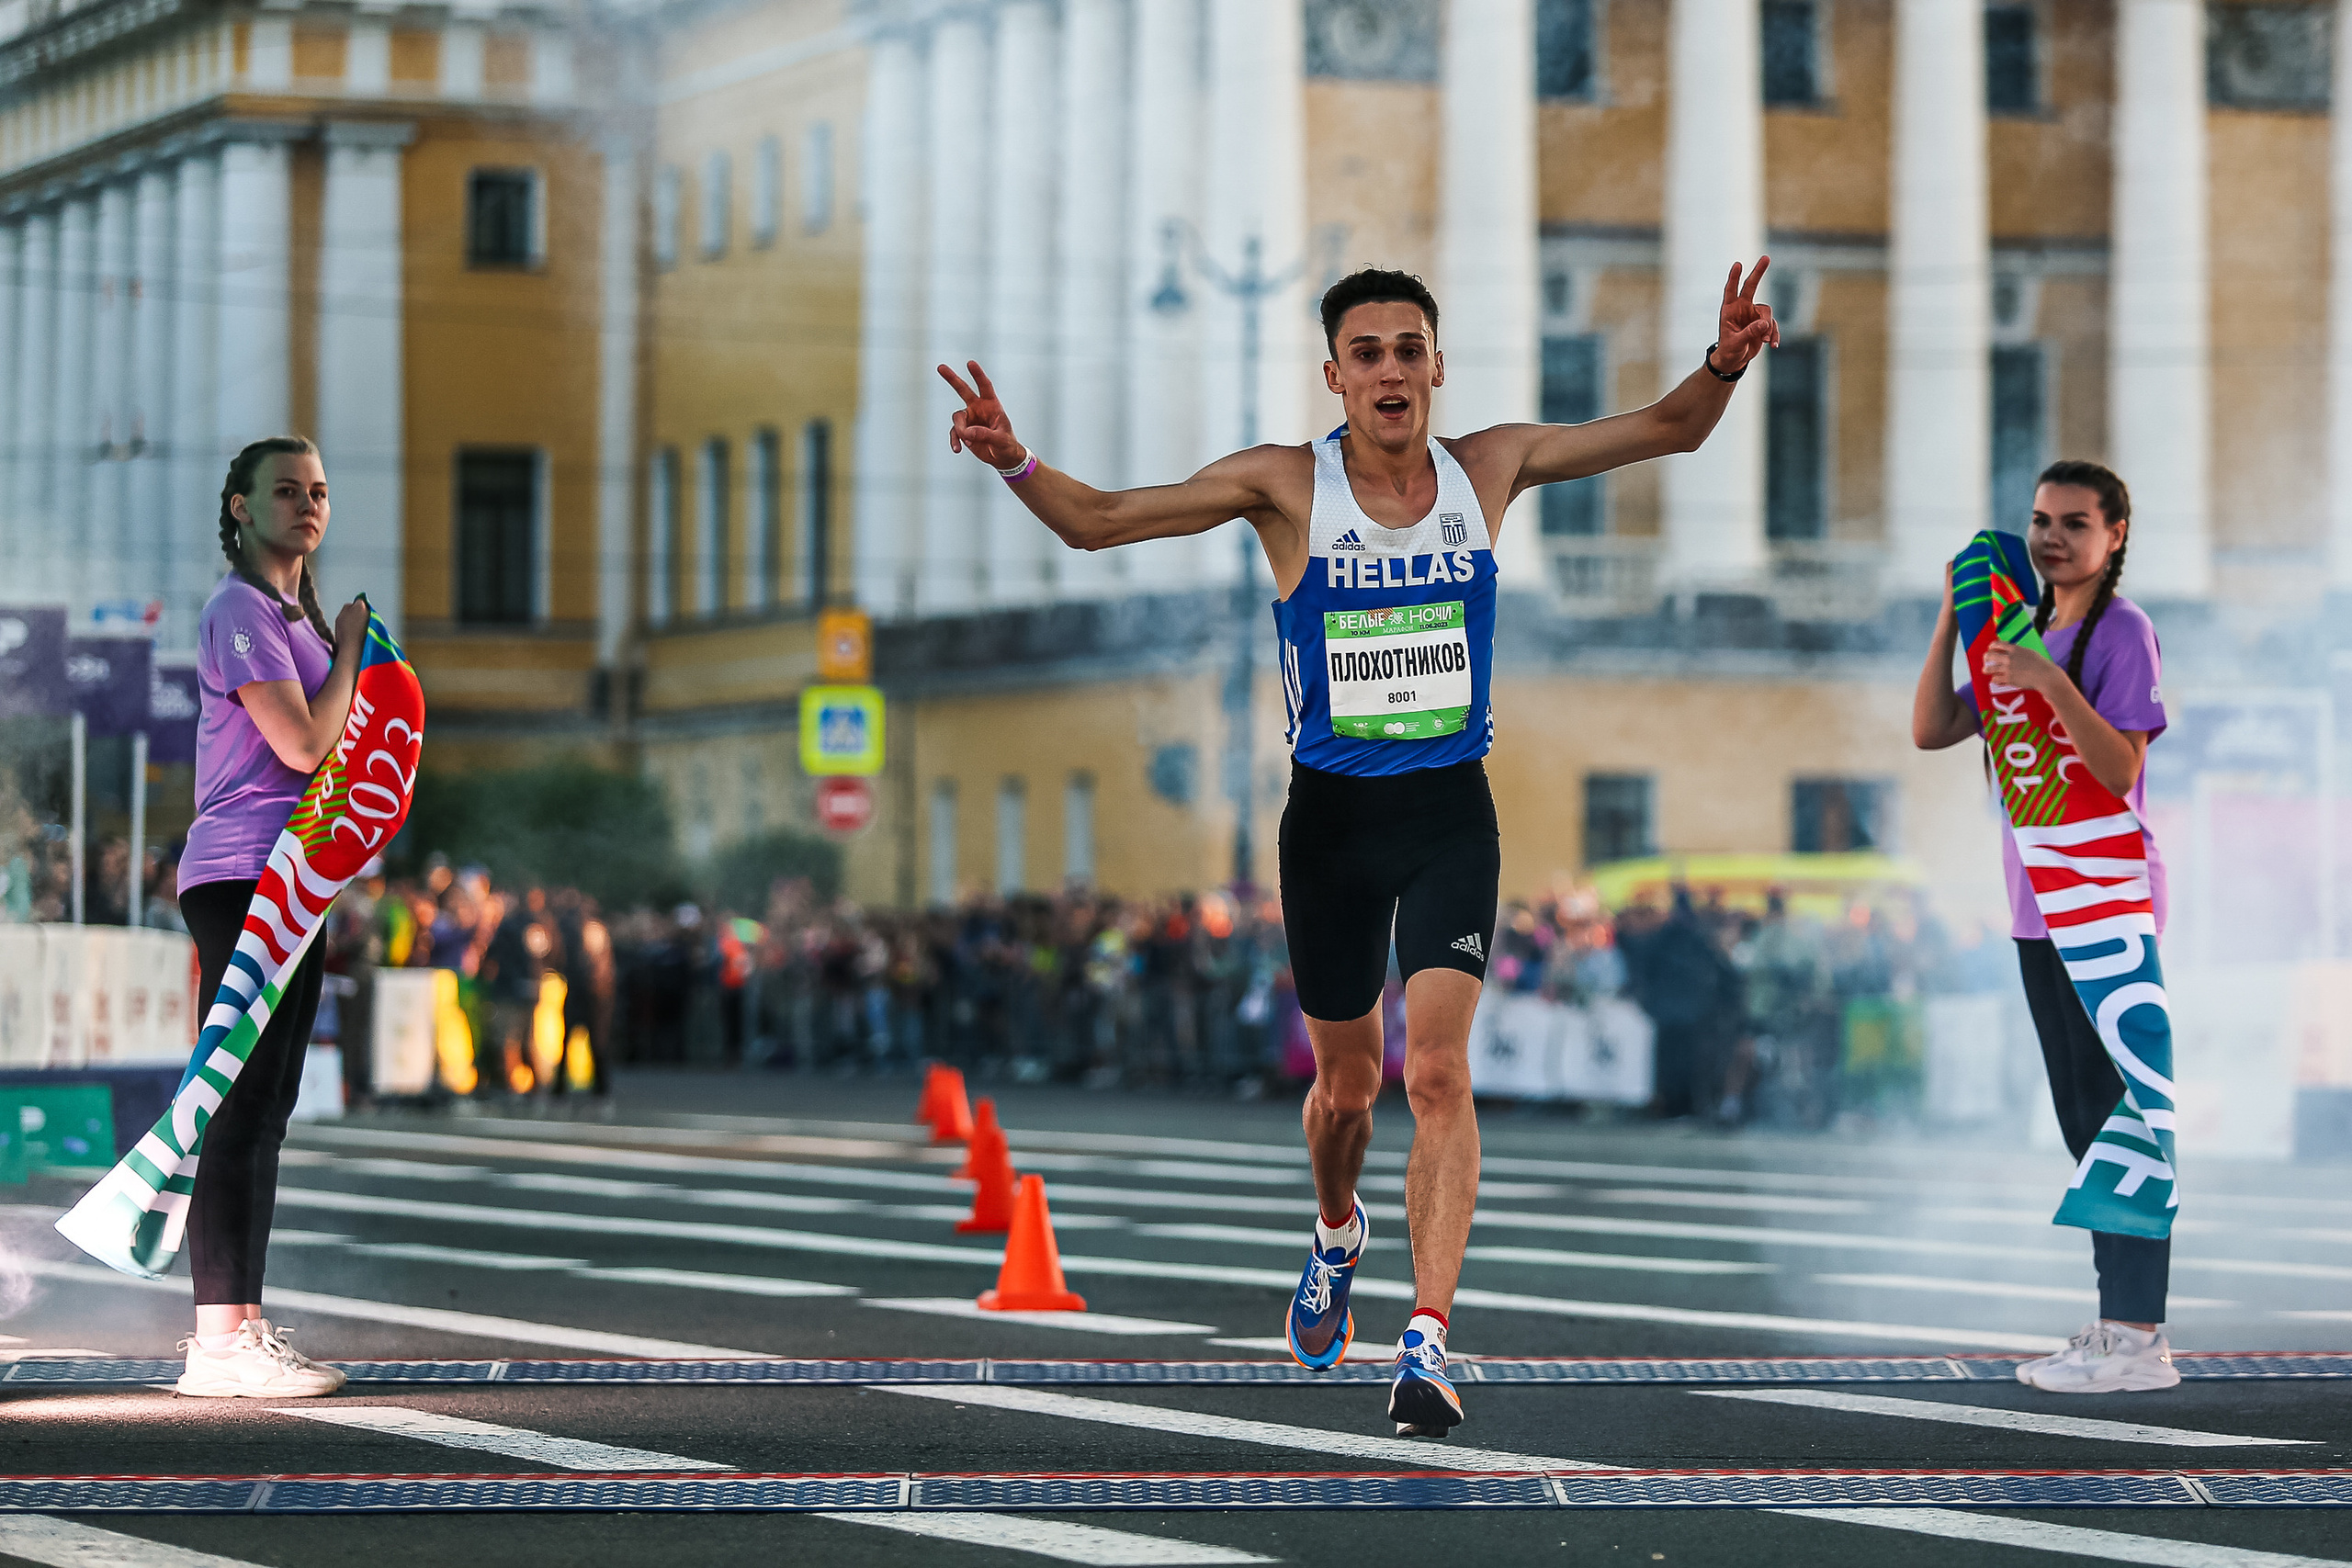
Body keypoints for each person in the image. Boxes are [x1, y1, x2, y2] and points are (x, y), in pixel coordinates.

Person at [938, 260, 1778, 1434]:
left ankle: (1425, 1339)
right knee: (1348, 1091)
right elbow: (1102, 524)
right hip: (1330, 826)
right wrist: (1015, 460)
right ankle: (1337, 1231)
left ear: (1437, 366)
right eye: (1366, 353)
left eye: (1407, 349)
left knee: (1437, 1073)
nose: (1390, 370)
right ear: (1334, 376)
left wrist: (1725, 361)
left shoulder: (1490, 467)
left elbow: (1669, 430)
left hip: (1447, 816)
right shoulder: (1286, 485)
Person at [1911, 458, 2175, 1393]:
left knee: (2118, 1114)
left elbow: (2118, 768)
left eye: (2074, 523)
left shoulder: (2122, 630)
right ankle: (2116, 1325)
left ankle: (2138, 1336)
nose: (2051, 538)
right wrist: (1954, 616)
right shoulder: (2019, 633)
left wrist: (2046, 681)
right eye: (2039, 521)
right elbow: (1931, 728)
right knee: (2079, 1118)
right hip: (2035, 901)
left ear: (2114, 537)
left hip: (2103, 893)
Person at [175, 435, 368, 1399]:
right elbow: (300, 744)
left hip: (292, 873)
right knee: (241, 1101)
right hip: (242, 870)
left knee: (266, 1106)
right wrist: (354, 647)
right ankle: (218, 1342)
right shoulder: (239, 609)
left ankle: (241, 1325)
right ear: (241, 507)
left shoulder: (289, 614)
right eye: (286, 490)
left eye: (318, 490)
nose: (308, 504)